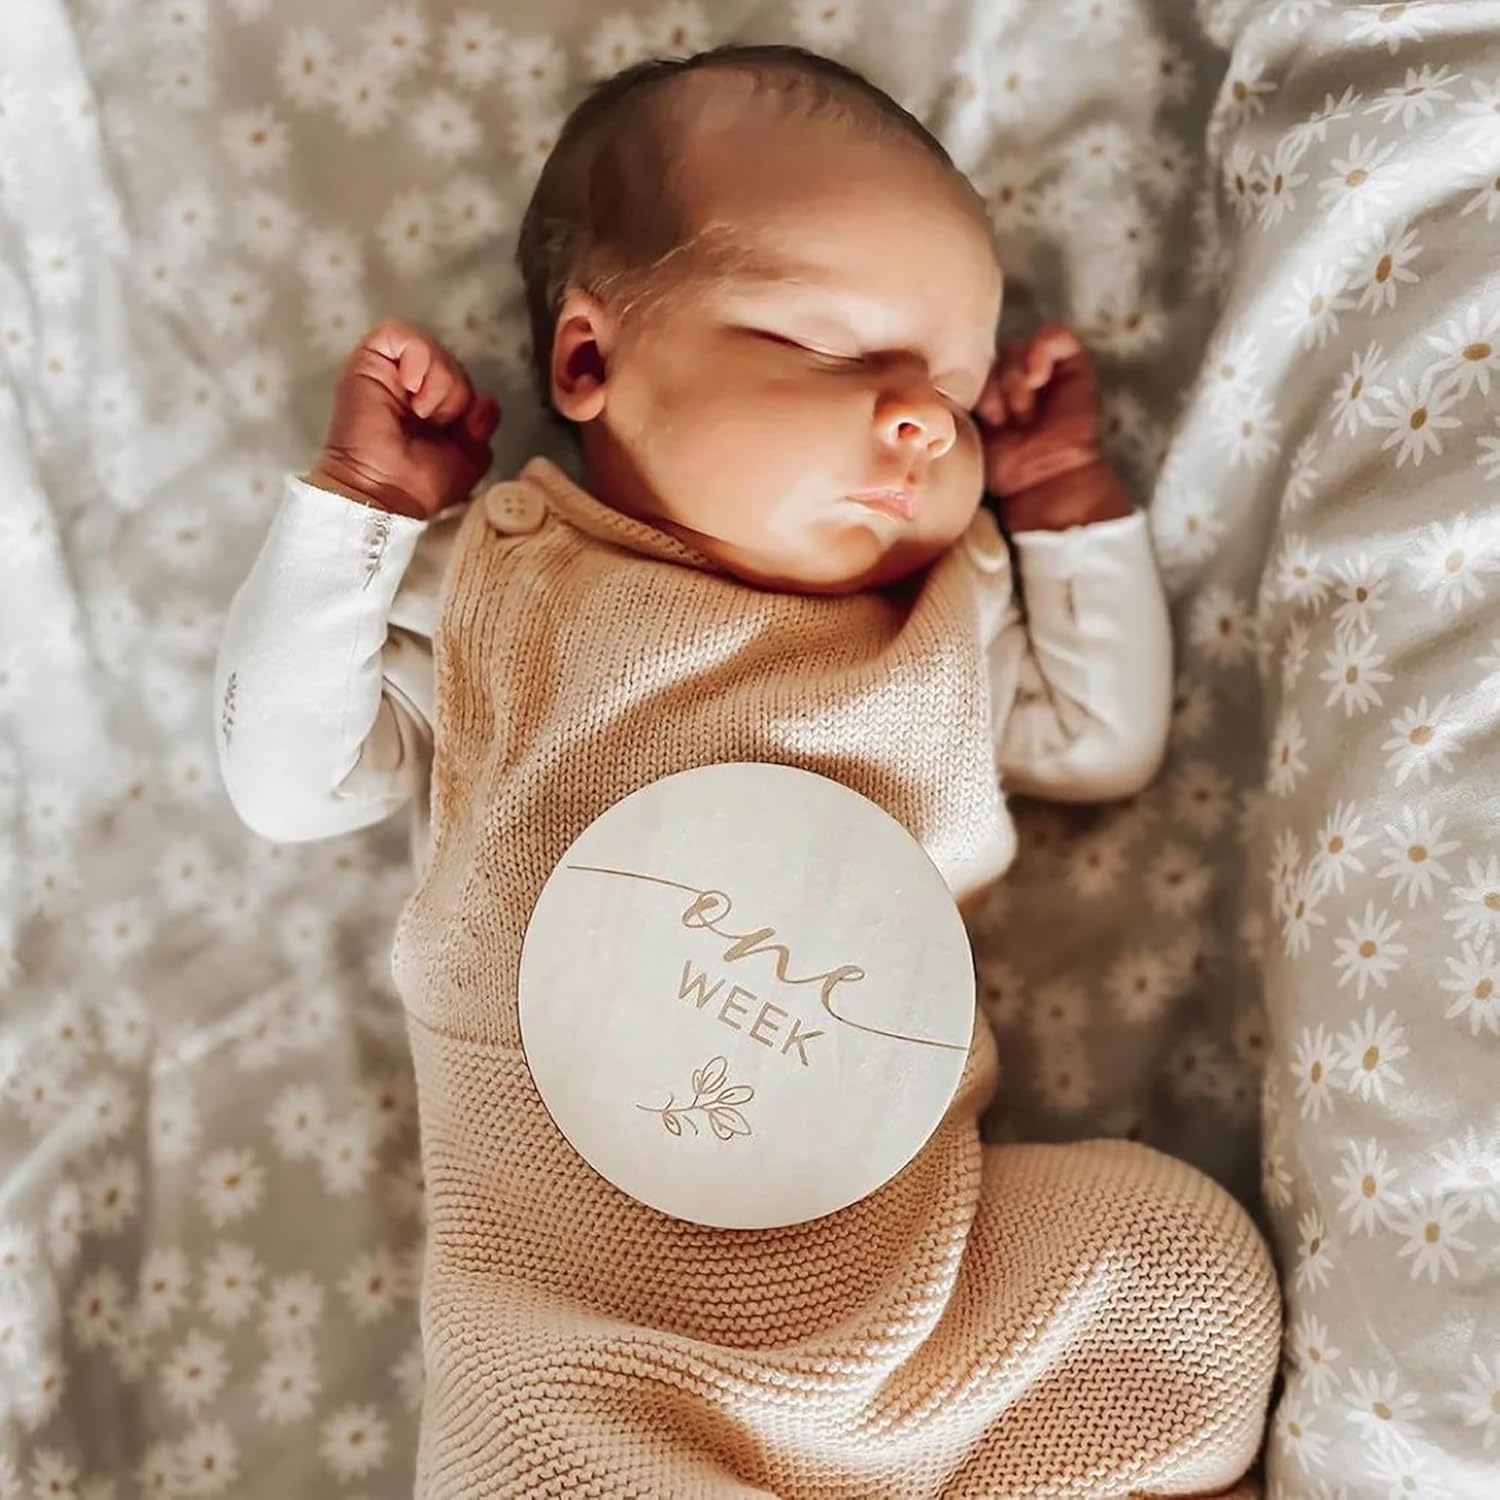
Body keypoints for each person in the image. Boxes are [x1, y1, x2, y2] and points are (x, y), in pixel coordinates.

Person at [216, 44, 1278, 1500]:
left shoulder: (941, 613)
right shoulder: (505, 591)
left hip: (914, 1300)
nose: (921, 418)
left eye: (958, 400)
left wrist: (1067, 511)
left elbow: (1099, 748)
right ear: (588, 362)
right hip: (573, 1352)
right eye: (834, 352)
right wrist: (361, 517)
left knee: (1181, 1273)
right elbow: (291, 780)